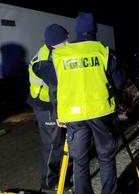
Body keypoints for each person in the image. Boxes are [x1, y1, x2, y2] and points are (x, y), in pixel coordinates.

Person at [51, 12, 124, 194]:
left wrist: (59, 113)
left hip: (73, 116)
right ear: (94, 30)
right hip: (100, 112)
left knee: (80, 161)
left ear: (76, 31)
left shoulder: (59, 55)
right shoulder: (103, 51)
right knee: (106, 157)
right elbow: (120, 82)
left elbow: (56, 85)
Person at [27, 24, 72, 192]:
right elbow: (58, 87)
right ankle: (48, 183)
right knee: (53, 144)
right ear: (56, 42)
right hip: (45, 105)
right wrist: (60, 114)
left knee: (60, 141)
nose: (68, 42)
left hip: (49, 102)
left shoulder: (55, 51)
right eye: (65, 40)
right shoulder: (45, 61)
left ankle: (62, 175)